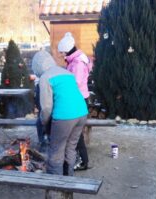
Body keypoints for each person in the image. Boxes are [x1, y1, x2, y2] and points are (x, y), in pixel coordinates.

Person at [31, 50, 88, 176]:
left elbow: (46, 108)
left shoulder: (45, 78)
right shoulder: (67, 73)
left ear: (38, 67)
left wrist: (44, 123)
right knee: (70, 148)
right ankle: (68, 179)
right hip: (82, 113)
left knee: (56, 151)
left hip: (65, 117)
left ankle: (57, 185)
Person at [58, 32, 92, 171]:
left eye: (62, 52)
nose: (61, 54)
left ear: (67, 50)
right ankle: (80, 159)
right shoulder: (75, 60)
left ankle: (83, 161)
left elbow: (75, 83)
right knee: (75, 133)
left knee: (75, 133)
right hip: (79, 98)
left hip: (78, 99)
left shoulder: (77, 63)